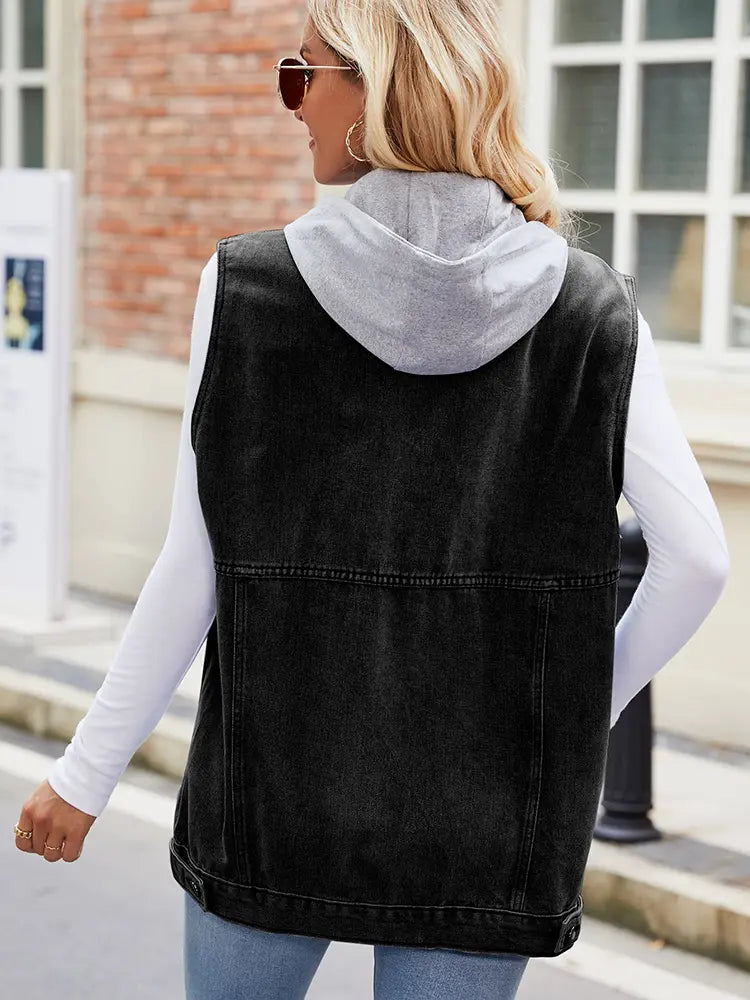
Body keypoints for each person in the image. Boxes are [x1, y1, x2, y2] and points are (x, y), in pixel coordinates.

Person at [14, 2, 730, 998]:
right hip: (487, 823)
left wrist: (84, 775)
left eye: (302, 74)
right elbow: (698, 562)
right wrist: (565, 715)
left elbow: (192, 567)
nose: (293, 104)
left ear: (375, 89)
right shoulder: (594, 311)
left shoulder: (247, 288)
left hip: (271, 799)